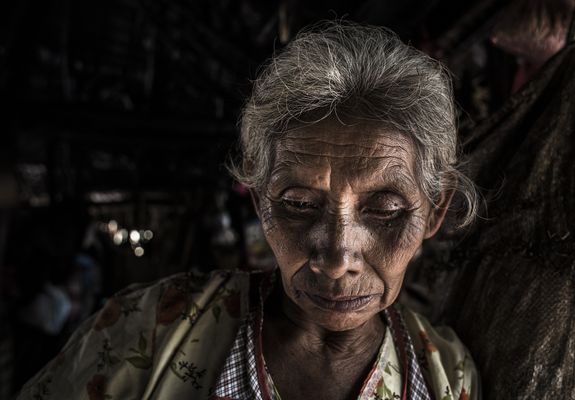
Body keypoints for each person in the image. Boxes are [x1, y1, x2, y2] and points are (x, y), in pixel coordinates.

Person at [18, 22, 480, 400]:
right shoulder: (146, 330)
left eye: (385, 210)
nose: (339, 257)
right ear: (261, 203)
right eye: (299, 205)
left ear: (434, 212)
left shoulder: (447, 374)